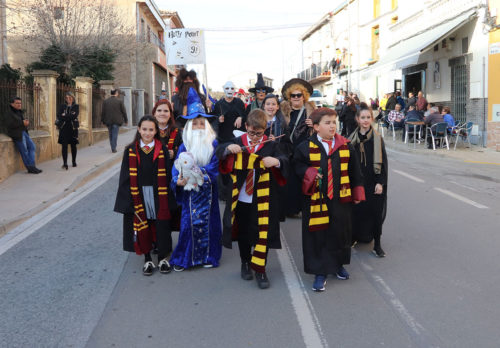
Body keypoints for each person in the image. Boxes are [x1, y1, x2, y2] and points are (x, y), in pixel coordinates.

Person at [293, 107, 365, 292]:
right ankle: (320, 271)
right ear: (316, 127)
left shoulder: (345, 145)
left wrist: (358, 193)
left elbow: (355, 171)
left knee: (340, 232)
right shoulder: (305, 147)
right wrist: (309, 172)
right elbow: (297, 167)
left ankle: (337, 265)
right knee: (318, 235)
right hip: (316, 199)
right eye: (327, 123)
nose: (332, 126)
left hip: (341, 198)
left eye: (334, 122)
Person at [217, 109, 288, 289]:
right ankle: (245, 263)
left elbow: (285, 159)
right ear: (246, 126)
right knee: (244, 234)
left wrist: (277, 162)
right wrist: (227, 150)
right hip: (241, 197)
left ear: (266, 129)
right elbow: (218, 152)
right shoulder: (237, 143)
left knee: (261, 233)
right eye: (252, 133)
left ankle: (260, 269)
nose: (255, 137)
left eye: (260, 133)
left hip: (263, 198)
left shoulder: (270, 144)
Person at [170, 87, 222, 271]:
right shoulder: (184, 145)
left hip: (208, 192)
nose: (199, 127)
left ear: (206, 126)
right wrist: (178, 180)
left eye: (202, 124)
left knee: (210, 225)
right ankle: (186, 258)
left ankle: (209, 256)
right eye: (195, 124)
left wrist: (198, 173)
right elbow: (176, 168)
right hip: (190, 194)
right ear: (190, 127)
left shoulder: (213, 144)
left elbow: (215, 167)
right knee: (188, 225)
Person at [114, 115, 173, 276]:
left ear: (156, 131)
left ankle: (162, 258)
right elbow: (125, 176)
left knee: (161, 225)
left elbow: (168, 174)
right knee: (143, 224)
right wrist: (128, 199)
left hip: (158, 193)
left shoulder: (162, 150)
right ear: (139, 130)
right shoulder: (131, 150)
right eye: (144, 129)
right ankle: (147, 258)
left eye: (151, 130)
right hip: (139, 194)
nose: (147, 133)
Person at [349, 108, 388, 257]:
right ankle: (354, 237)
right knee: (356, 211)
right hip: (356, 182)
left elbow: (383, 163)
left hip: (373, 182)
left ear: (371, 119)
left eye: (368, 117)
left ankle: (377, 244)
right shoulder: (350, 139)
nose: (365, 120)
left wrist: (380, 182)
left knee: (375, 213)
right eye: (362, 117)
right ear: (357, 119)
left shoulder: (377, 139)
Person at [280, 78, 316, 217]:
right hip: (289, 149)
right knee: (290, 180)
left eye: (299, 95)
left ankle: (304, 208)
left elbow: (321, 128)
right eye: (293, 95)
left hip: (305, 150)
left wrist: (313, 125)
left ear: (304, 96)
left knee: (304, 178)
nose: (296, 98)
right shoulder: (283, 112)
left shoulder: (311, 112)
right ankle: (291, 209)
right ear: (289, 97)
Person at [152, 99, 183, 233]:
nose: (162, 113)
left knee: (171, 209)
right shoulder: (148, 130)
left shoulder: (178, 131)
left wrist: (175, 153)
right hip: (152, 176)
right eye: (159, 110)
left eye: (166, 111)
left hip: (171, 176)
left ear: (170, 114)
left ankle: (167, 242)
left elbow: (185, 152)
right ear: (154, 113)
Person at [261, 93, 291, 221]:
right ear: (263, 106)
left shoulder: (282, 125)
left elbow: (289, 147)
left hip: (275, 166)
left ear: (278, 107)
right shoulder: (256, 122)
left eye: (273, 104)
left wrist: (277, 143)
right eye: (268, 104)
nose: (270, 107)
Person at [4, 97, 42, 174]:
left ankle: (32, 166)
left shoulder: (19, 111)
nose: (19, 104)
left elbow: (20, 122)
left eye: (20, 103)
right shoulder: (8, 112)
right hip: (17, 135)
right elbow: (9, 125)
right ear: (12, 104)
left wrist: (25, 122)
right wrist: (22, 123)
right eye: (17, 103)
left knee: (32, 147)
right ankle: (30, 168)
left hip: (24, 133)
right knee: (24, 151)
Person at [56, 92, 79, 170]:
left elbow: (74, 116)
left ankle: (74, 161)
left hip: (73, 128)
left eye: (70, 98)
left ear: (73, 98)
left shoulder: (76, 106)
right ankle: (65, 163)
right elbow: (59, 115)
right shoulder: (62, 106)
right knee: (64, 146)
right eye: (66, 98)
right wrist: (68, 116)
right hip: (64, 128)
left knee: (73, 145)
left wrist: (65, 115)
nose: (68, 99)